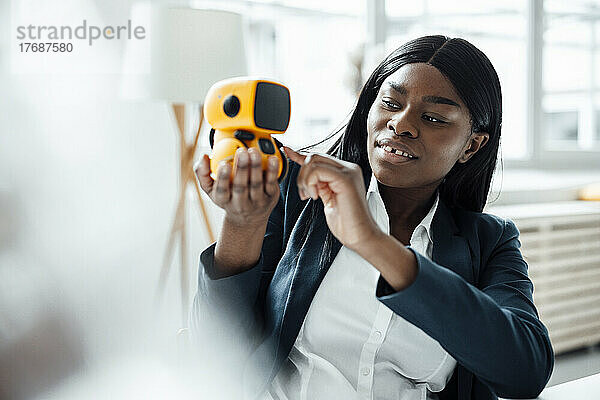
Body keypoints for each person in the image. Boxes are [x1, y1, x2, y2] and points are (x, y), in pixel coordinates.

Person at [190, 35, 554, 400]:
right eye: (391, 103)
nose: (401, 124)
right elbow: (214, 353)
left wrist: (371, 241)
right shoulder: (299, 196)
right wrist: (242, 226)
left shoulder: (490, 241)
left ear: (471, 146)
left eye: (432, 118)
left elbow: (525, 371)